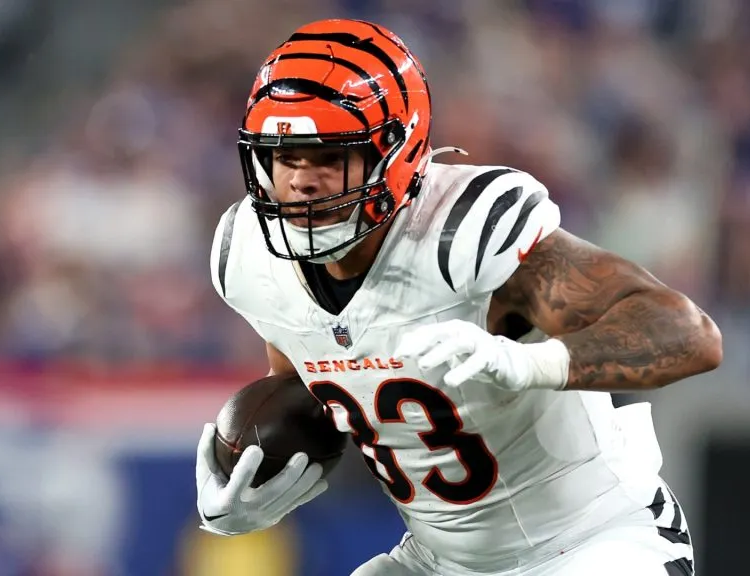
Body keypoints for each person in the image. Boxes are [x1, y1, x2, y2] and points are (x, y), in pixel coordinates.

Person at [196, 18, 722, 576]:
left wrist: (532, 363)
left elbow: (688, 335)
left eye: (330, 156)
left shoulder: (463, 234)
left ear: (393, 153)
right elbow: (305, 380)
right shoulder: (249, 256)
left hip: (592, 539)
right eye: (286, 156)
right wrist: (254, 485)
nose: (302, 181)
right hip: (440, 561)